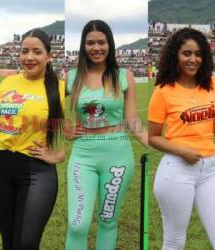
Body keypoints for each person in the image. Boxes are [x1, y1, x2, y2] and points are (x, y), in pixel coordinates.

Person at [65, 20, 148, 250]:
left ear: (109, 44)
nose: (96, 47)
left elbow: (132, 119)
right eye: (90, 43)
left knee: (107, 221)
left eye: (101, 42)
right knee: (77, 224)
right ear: (83, 46)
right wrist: (63, 127)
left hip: (117, 156)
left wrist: (154, 142)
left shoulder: (124, 75)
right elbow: (47, 108)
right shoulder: (71, 77)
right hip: (83, 155)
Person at [0, 29, 65, 250]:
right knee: (9, 242)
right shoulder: (7, 83)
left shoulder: (60, 87)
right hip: (1, 168)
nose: (29, 57)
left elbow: (77, 131)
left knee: (26, 243)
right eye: (24, 51)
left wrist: (58, 154)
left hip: (37, 171)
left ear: (49, 56)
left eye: (37, 52)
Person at [148, 28, 215, 249]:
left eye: (198, 54)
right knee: (175, 240)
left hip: (210, 170)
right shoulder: (163, 91)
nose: (193, 59)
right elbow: (153, 137)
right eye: (187, 54)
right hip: (177, 170)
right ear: (175, 55)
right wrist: (182, 151)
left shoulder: (212, 86)